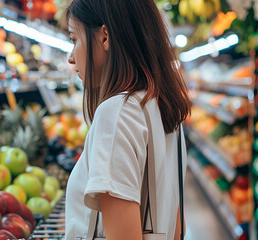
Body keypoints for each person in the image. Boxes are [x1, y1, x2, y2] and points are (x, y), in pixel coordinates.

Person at [64, 0, 191, 239]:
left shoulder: (116, 113)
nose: (71, 58)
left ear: (104, 37)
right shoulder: (165, 110)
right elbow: (176, 227)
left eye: (74, 39)